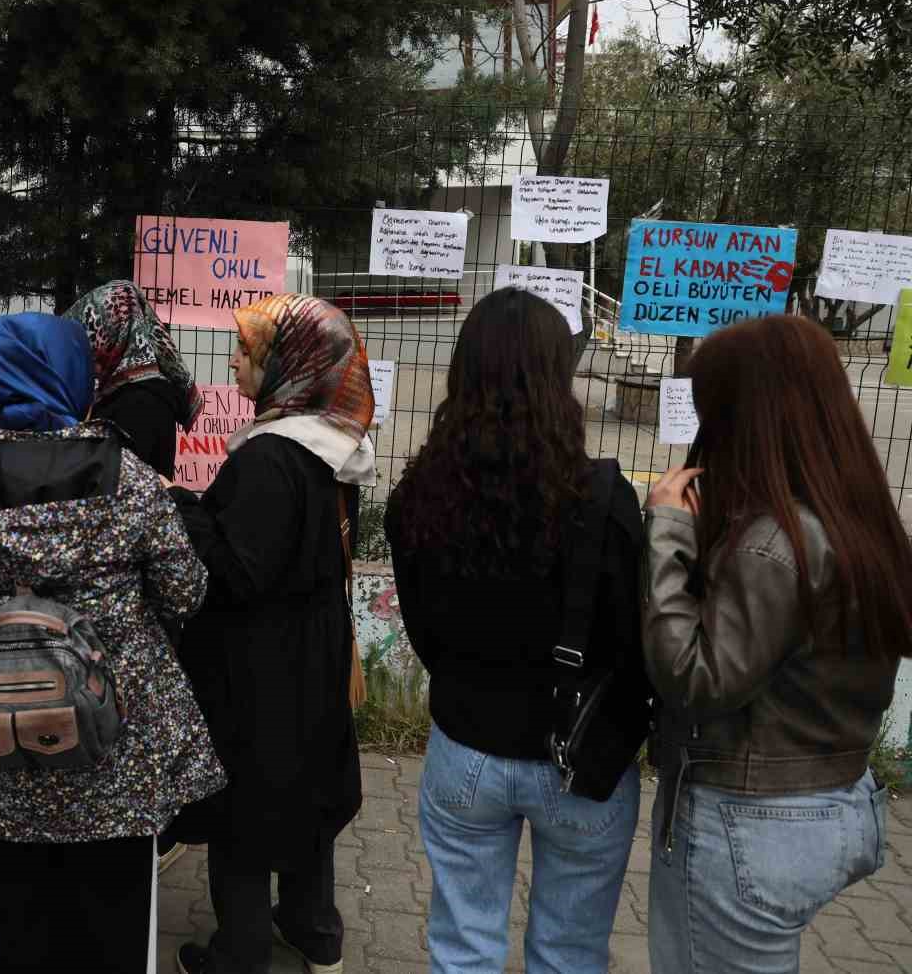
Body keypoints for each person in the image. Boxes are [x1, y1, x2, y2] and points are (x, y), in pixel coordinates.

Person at [0, 312, 227, 974]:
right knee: (115, 915)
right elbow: (185, 593)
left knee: (15, 908)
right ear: (73, 376)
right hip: (111, 745)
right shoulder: (132, 482)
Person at [385, 287, 646, 974]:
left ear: (461, 372)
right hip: (582, 761)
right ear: (558, 376)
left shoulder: (417, 494)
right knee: (568, 953)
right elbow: (631, 640)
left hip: (466, 748)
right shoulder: (603, 497)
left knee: (462, 947)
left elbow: (424, 635)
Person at [642, 314, 909, 974]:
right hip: (838, 800)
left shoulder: (772, 544)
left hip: (751, 821)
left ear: (744, 414)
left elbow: (695, 679)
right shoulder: (856, 518)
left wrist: (667, 534)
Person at [166, 293, 372, 974]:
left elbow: (239, 570)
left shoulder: (270, 458)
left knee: (247, 809)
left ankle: (240, 951)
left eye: (247, 351)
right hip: (316, 647)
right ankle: (315, 932)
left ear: (291, 363)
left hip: (262, 663)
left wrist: (183, 507)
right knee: (308, 789)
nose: (232, 361)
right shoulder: (336, 446)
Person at [66, 278, 206, 875]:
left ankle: (154, 833)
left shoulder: (136, 399)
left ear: (112, 333)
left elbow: (120, 492)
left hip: (135, 573)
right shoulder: (139, 383)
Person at [66, 279, 204, 479]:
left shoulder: (137, 401)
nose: (90, 346)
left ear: (111, 333)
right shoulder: (135, 389)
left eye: (94, 333)